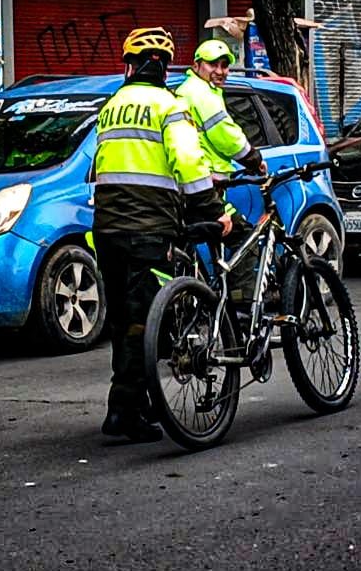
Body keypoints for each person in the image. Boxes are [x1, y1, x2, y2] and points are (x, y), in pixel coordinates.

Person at [92, 27, 232, 443]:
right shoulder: (169, 106)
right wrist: (212, 212)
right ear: (164, 68)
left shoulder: (111, 107)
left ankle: (138, 402)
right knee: (141, 319)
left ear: (129, 65)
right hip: (149, 229)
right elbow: (188, 164)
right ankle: (123, 411)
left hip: (107, 229)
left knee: (122, 320)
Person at [175, 39, 266, 307]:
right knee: (242, 235)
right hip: (205, 186)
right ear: (196, 66)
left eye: (225, 65)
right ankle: (240, 305)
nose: (221, 70)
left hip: (188, 186)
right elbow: (225, 136)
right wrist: (253, 158)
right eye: (213, 64)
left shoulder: (190, 91)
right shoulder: (200, 94)